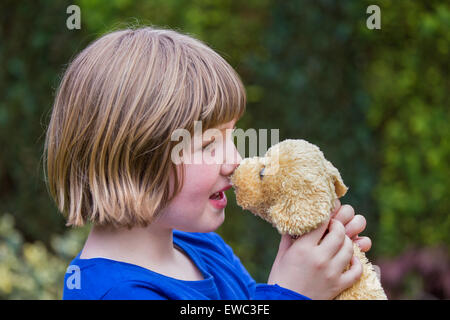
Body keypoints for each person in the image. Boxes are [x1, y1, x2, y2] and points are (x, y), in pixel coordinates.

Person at [44, 26, 371, 300]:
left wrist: (307, 265)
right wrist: (292, 292)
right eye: (207, 144)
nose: (235, 160)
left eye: (231, 137)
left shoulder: (204, 249)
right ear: (133, 159)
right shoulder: (115, 293)